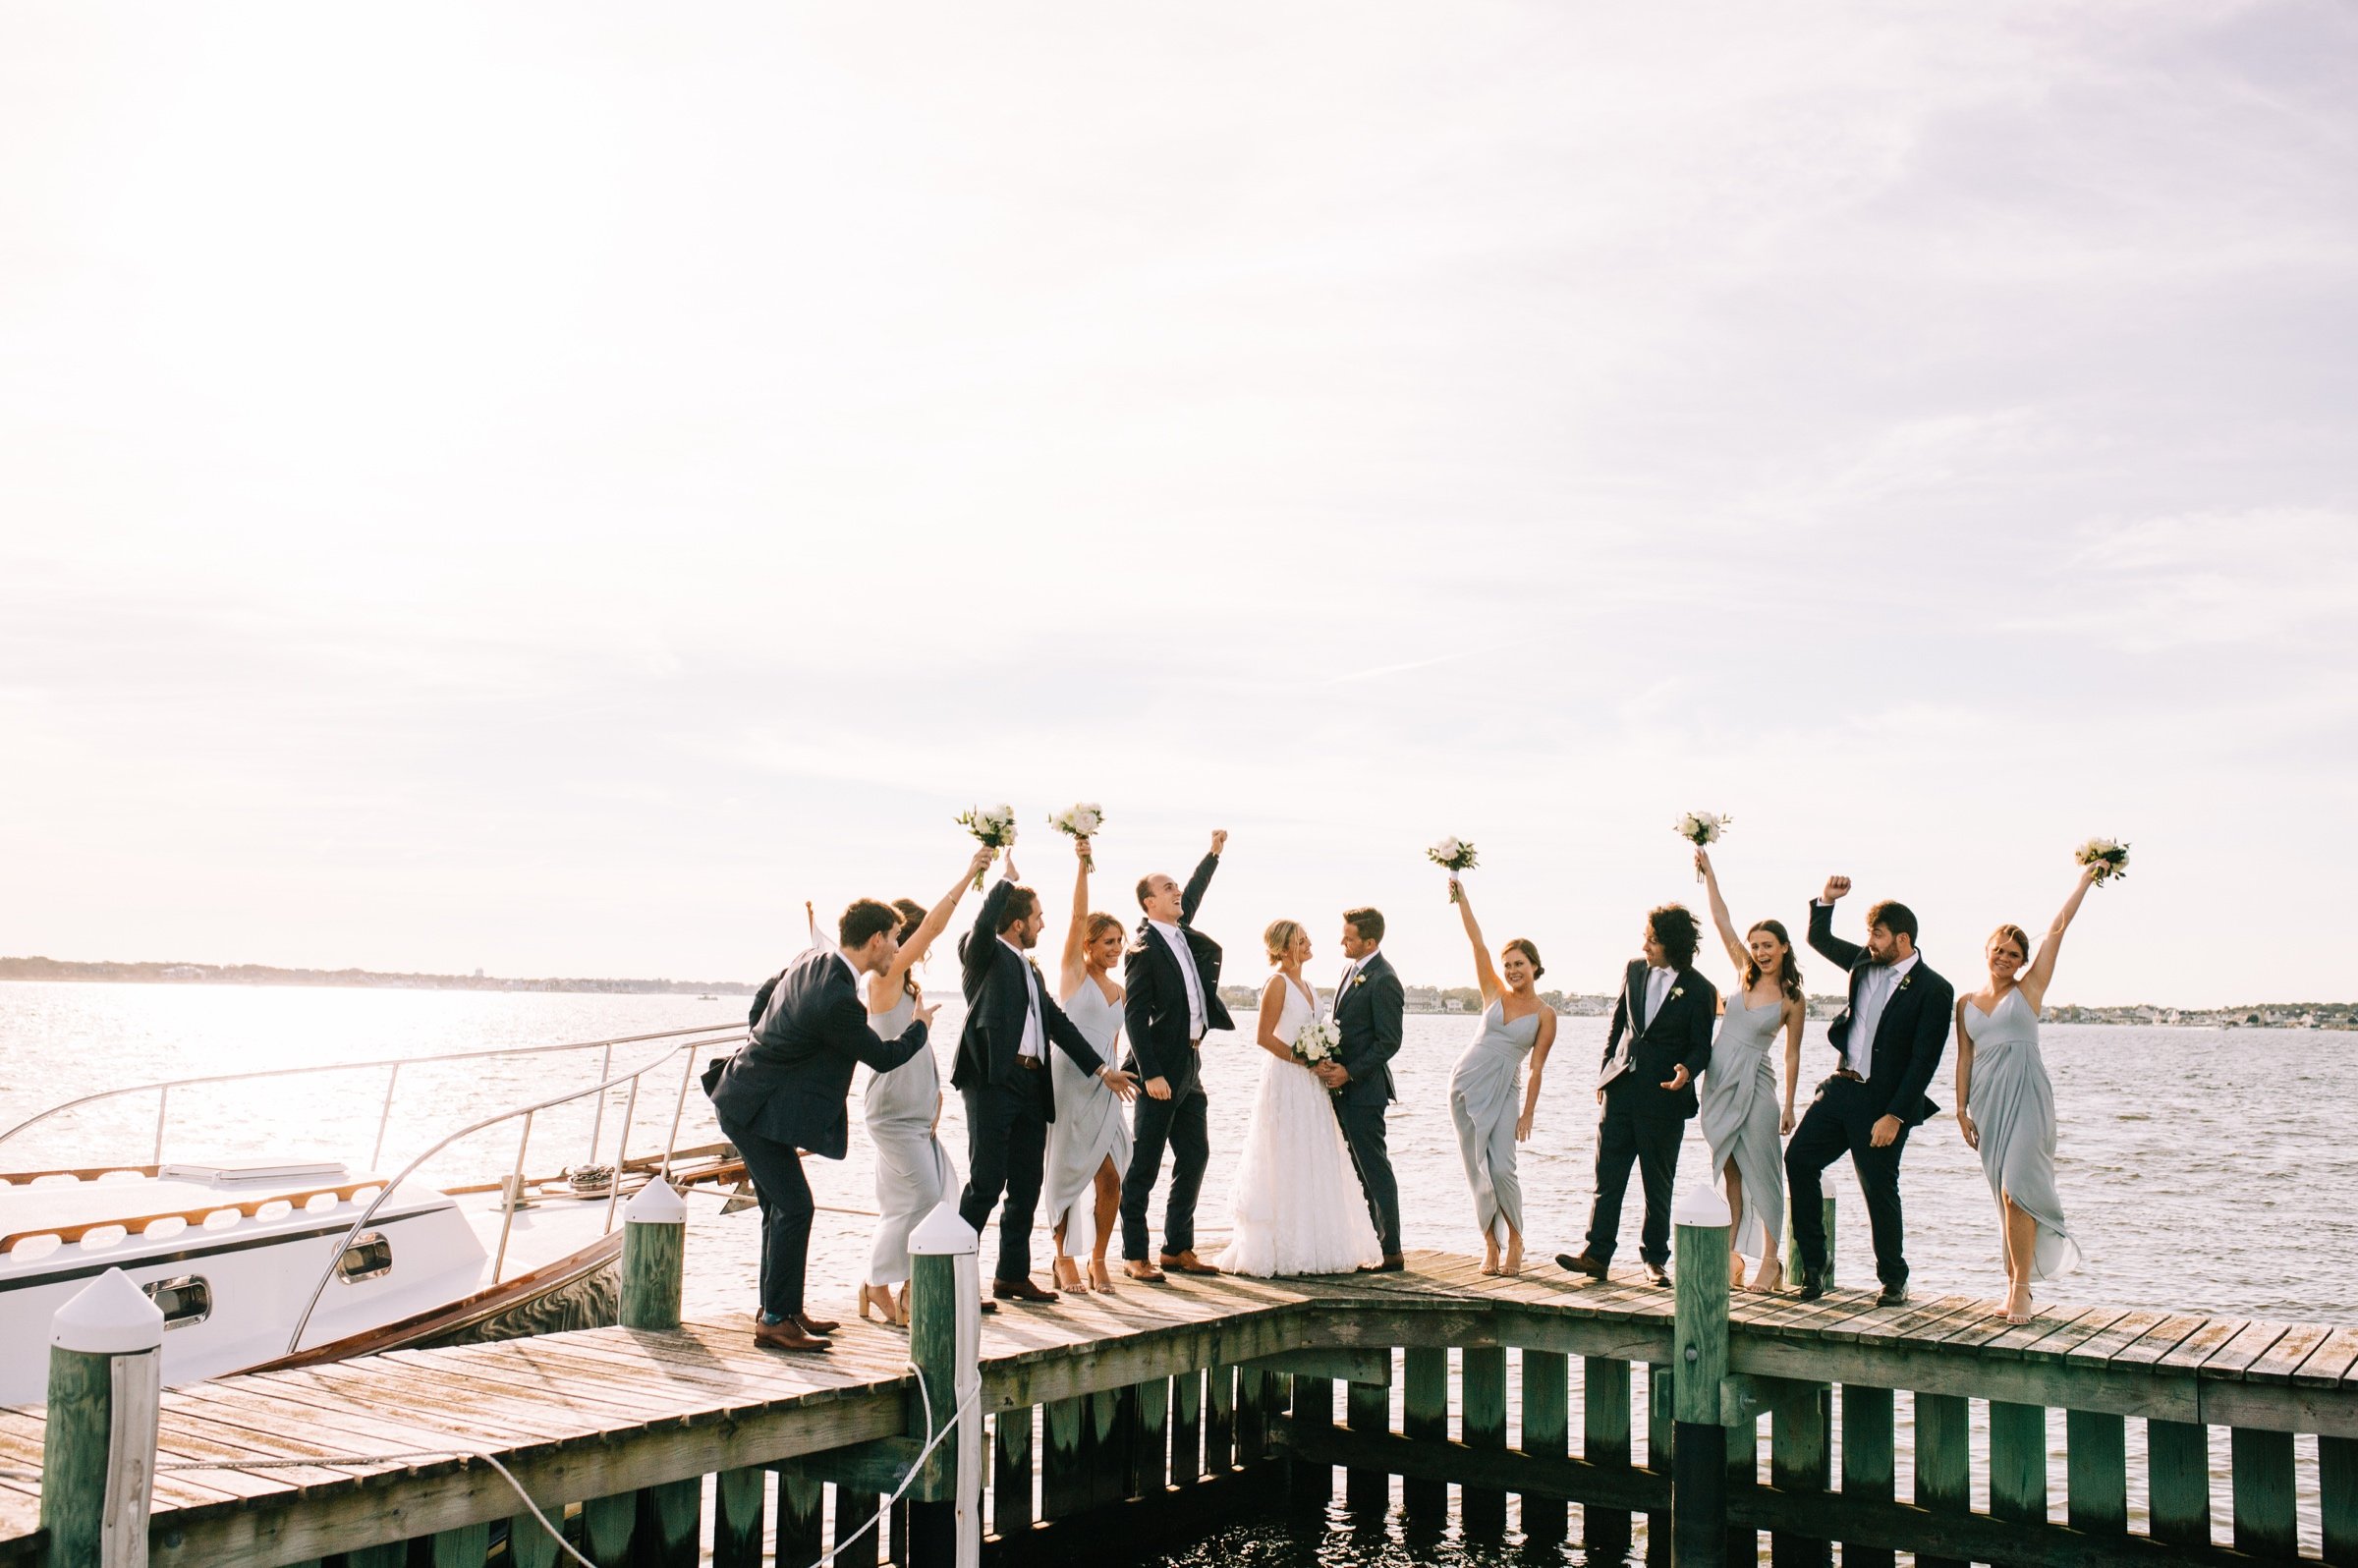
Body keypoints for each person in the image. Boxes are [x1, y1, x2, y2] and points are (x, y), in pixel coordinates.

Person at [704, 899, 934, 1353]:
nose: (896, 948)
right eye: (893, 938)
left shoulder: (812, 958)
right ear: (875, 941)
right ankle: (775, 1320)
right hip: (750, 1109)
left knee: (780, 1208)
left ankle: (782, 1309)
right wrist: (920, 1026)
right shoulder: (838, 1000)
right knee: (796, 1206)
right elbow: (884, 1058)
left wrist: (764, 1046)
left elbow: (763, 1000)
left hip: (748, 1096)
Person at [954, 863, 1137, 1304]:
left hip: (1034, 1085)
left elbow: (1059, 1024)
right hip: (994, 1082)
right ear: (1017, 923)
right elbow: (982, 923)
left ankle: (1011, 1276)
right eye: (1036, 917)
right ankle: (955, 1279)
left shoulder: (1031, 970)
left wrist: (1102, 1070)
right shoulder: (983, 954)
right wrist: (1006, 881)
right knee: (985, 1182)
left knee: (1026, 1184)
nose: (1042, 923)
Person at [1787, 876, 1954, 1307]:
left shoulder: (1935, 989)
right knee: (1799, 1160)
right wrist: (1826, 900)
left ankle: (1893, 1278)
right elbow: (1817, 937)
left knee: (1878, 1189)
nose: (1870, 942)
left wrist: (1896, 1115)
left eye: (1877, 934)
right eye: (1869, 934)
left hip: (1883, 1104)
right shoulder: (1863, 962)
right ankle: (1812, 1266)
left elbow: (1925, 1060)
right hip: (1841, 1088)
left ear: (1902, 938)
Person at [855, 846, 995, 1325]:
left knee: (944, 1193)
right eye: (904, 939)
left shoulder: (908, 988)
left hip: (917, 1111)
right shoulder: (884, 979)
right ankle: (882, 1283)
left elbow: (915, 1042)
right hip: (892, 1112)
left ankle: (903, 1287)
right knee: (923, 1200)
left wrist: (934, 1093)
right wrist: (970, 874)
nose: (909, 947)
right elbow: (933, 926)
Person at [1956, 861, 2102, 1322]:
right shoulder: (1964, 1003)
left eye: (2015, 955)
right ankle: (2015, 1283)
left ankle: (2020, 1290)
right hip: (1989, 1103)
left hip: (2028, 1098)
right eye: (2000, 950)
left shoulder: (2030, 990)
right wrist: (1960, 1110)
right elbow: (1964, 1058)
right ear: (1988, 950)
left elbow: (2056, 931)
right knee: (2003, 1195)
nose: (2006, 958)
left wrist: (2083, 881)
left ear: (2022, 962)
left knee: (2019, 1190)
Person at [1215, 921, 1385, 1276]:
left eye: (1307, 938)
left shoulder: (1308, 985)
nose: (1308, 943)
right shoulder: (1277, 983)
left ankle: (1319, 1244)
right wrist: (1303, 1057)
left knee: (1316, 1154)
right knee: (1285, 1155)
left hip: (1311, 1085)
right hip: (1286, 1079)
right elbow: (1263, 1037)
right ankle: (1283, 1247)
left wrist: (1321, 1055)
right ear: (1282, 948)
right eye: (1300, 940)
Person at [1558, 905, 1715, 1288]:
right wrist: (1603, 1075)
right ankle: (1597, 1254)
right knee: (1607, 1177)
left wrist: (1687, 1071)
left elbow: (1701, 1047)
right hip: (1620, 1090)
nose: (1645, 944)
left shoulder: (1700, 989)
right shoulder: (1633, 970)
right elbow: (1617, 1026)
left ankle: (1654, 1259)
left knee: (1657, 1184)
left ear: (1672, 943)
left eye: (1653, 938)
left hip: (1664, 1098)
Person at [1118, 831, 1233, 1282]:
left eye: (1176, 888)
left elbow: (1196, 889)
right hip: (1159, 1070)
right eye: (1167, 889)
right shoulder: (1143, 948)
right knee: (1144, 1163)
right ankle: (1134, 1255)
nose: (1177, 893)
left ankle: (1177, 1248)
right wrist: (1150, 1074)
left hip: (1191, 1065)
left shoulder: (1182, 933)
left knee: (1196, 1155)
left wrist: (1213, 855)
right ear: (1149, 902)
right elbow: (1133, 1016)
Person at [1694, 848, 1805, 1293]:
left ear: (1783, 949)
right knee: (1731, 1173)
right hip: (1720, 1082)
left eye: (1767, 946)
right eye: (1755, 945)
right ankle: (1733, 1259)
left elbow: (1791, 1055)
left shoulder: (1792, 998)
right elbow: (1721, 920)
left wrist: (1791, 1106)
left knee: (1764, 1172)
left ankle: (1772, 1262)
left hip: (1756, 1085)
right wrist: (1711, 873)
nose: (1759, 952)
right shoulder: (1742, 973)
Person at [1443, 878, 1556, 1277]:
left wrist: (1528, 1114)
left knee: (1503, 1168)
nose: (1511, 971)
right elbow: (1477, 943)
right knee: (1476, 1166)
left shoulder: (1545, 1014)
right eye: (1508, 965)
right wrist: (1462, 895)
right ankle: (1490, 1243)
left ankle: (1516, 1238)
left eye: (1519, 964)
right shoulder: (1493, 992)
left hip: (1506, 1088)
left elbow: (1536, 1067)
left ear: (1534, 967)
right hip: (1467, 1083)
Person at [1044, 831, 1133, 1293]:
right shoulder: (1073, 975)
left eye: (1120, 941)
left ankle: (1100, 1257)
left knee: (1111, 1175)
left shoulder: (1120, 990)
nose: (1116, 948)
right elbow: (1078, 915)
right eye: (1107, 942)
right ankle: (1062, 1257)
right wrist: (1083, 862)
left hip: (1109, 1085)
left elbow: (1114, 1042)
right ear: (1088, 945)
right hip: (1071, 1081)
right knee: (1066, 1170)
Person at [1314, 907, 1405, 1270]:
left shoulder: (1384, 979)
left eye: (1348, 937)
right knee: (1354, 1168)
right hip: (1342, 1088)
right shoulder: (1349, 972)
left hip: (1365, 1090)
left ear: (1369, 941)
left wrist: (1349, 1072)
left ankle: (1392, 1249)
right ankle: (1368, 1242)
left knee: (1374, 1168)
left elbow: (1389, 1042)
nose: (1341, 941)